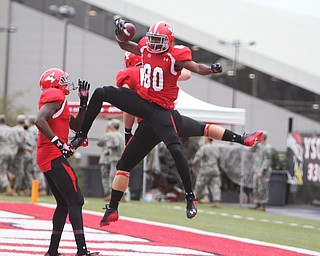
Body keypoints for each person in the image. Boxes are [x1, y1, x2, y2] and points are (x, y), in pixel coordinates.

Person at [70, 20, 263, 226]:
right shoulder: (142, 54)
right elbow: (127, 48)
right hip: (145, 107)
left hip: (161, 113)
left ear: (168, 42)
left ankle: (188, 197)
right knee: (102, 93)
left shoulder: (173, 56)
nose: (152, 45)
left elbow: (194, 68)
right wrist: (119, 35)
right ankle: (82, 137)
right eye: (151, 40)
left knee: (175, 147)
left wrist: (211, 69)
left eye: (157, 41)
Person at [35, 68, 98, 256]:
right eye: (62, 80)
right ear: (54, 83)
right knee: (76, 199)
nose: (66, 83)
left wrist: (83, 104)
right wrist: (59, 143)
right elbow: (39, 120)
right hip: (52, 154)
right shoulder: (54, 95)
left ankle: (52, 250)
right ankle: (82, 250)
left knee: (63, 203)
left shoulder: (59, 101)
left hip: (49, 155)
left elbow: (76, 126)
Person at [97, 119, 124, 201]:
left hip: (114, 159)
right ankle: (120, 194)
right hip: (119, 158)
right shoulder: (121, 135)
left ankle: (111, 195)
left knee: (111, 177)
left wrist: (108, 146)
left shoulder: (112, 135)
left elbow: (101, 142)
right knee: (118, 176)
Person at [192, 137, 222, 208]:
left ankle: (193, 199)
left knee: (199, 185)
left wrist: (193, 164)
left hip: (205, 169)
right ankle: (217, 201)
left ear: (207, 139)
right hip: (215, 169)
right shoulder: (216, 148)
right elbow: (219, 158)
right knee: (215, 186)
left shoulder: (204, 148)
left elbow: (197, 157)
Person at [252, 131, 272, 211]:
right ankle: (257, 204)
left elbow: (267, 160)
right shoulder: (258, 146)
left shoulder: (267, 148)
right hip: (256, 170)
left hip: (263, 172)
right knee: (256, 188)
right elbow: (251, 150)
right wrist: (255, 142)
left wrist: (262, 170)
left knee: (262, 189)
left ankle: (263, 205)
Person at [0, 114, 14, 195]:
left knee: (2, 171)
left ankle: (8, 188)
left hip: (2, 152)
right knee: (7, 168)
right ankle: (11, 175)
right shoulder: (11, 129)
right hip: (11, 151)